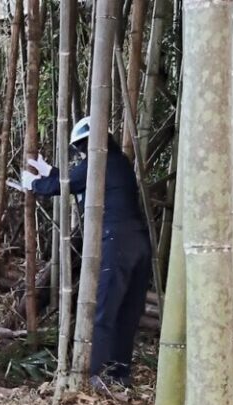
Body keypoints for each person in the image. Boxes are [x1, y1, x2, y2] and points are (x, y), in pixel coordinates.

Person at [20, 116, 152, 388]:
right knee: (128, 311)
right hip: (139, 243)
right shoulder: (119, 162)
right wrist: (49, 171)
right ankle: (119, 374)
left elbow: (64, 185)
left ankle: (95, 375)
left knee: (105, 309)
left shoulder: (99, 163)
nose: (81, 153)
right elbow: (74, 179)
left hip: (116, 242)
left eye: (81, 147)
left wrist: (33, 183)